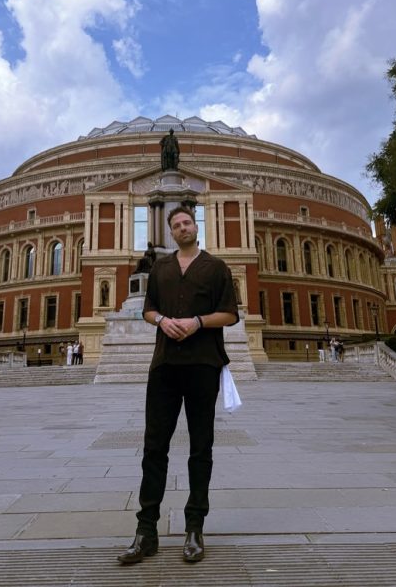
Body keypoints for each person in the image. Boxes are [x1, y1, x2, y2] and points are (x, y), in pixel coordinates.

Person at [117, 205, 238, 565]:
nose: (182, 228)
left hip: (203, 364)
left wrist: (199, 322)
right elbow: (148, 309)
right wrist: (162, 321)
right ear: (171, 232)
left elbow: (230, 314)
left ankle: (194, 529)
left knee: (201, 448)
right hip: (165, 365)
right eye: (176, 225)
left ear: (196, 226)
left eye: (187, 222)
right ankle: (146, 532)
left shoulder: (216, 268)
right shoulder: (161, 268)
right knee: (154, 448)